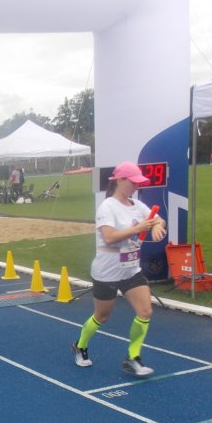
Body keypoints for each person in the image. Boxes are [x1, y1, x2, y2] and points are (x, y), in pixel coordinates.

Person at [72, 161, 166, 377]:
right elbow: (109, 237)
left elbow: (157, 219)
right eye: (133, 182)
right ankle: (80, 345)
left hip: (131, 270)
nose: (137, 186)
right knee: (102, 316)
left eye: (138, 183)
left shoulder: (138, 205)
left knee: (145, 311)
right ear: (120, 180)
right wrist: (139, 228)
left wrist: (157, 226)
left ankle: (133, 357)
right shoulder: (107, 207)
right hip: (107, 271)